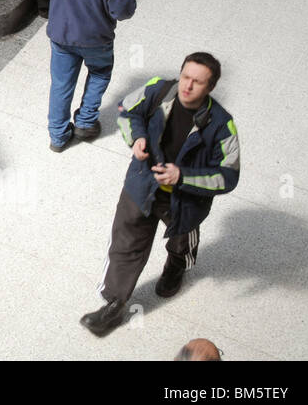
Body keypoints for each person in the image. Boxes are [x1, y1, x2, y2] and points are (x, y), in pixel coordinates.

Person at [81, 53, 239, 338]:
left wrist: (183, 177)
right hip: (141, 186)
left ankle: (176, 267)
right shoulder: (159, 89)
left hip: (185, 201)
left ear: (210, 88)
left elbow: (228, 176)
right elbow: (127, 110)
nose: (188, 86)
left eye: (198, 82)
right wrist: (136, 137)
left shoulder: (222, 125)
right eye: (186, 77)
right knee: (125, 243)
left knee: (182, 241)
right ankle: (113, 304)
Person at [36, 0, 136, 153]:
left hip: (61, 34)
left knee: (61, 84)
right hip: (96, 39)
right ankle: (85, 122)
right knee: (100, 73)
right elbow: (122, 10)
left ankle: (58, 137)